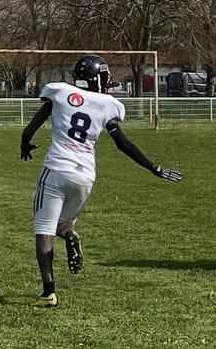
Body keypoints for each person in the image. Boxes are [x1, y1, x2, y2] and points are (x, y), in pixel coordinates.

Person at [20, 55, 182, 308]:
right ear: (95, 78)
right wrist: (153, 167)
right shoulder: (108, 105)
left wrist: (25, 142)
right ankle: (70, 234)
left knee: (44, 231)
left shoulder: (60, 92)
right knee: (62, 225)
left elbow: (35, 123)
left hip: (57, 168)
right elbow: (123, 143)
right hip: (85, 176)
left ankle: (49, 292)